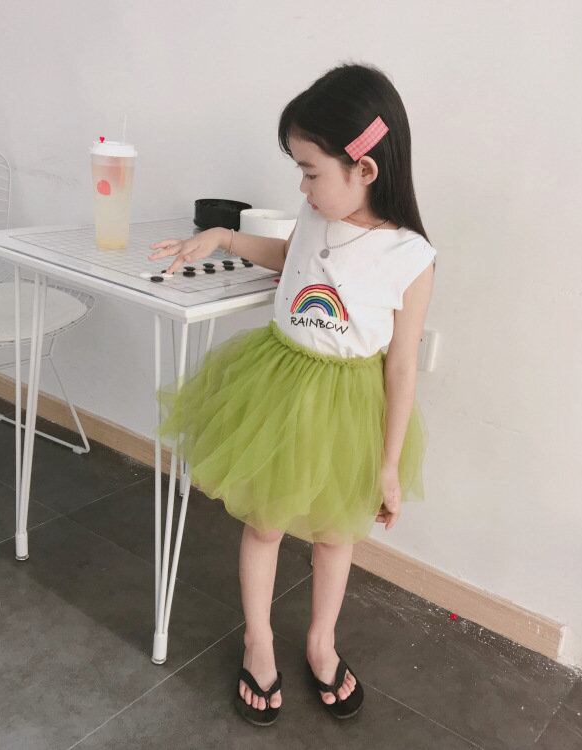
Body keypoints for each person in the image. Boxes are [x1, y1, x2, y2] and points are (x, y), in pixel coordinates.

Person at [148, 61, 437, 727]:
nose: (301, 187)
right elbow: (289, 258)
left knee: (336, 535)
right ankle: (259, 639)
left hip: (348, 411)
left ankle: (320, 642)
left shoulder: (410, 257)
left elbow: (401, 367)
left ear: (365, 169)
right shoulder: (314, 214)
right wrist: (224, 236)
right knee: (265, 522)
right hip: (277, 391)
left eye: (310, 171)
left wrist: (389, 463)